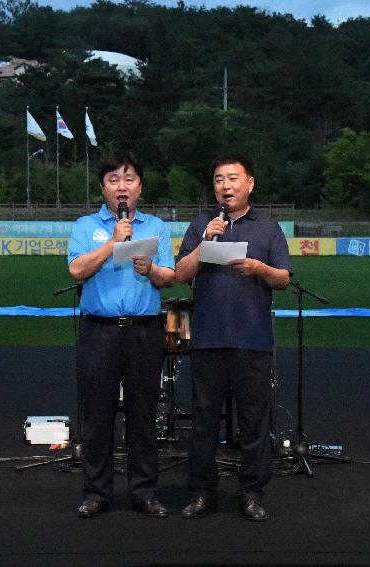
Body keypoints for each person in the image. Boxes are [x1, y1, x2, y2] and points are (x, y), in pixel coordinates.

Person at [175, 154, 292, 522]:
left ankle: (252, 492)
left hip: (252, 339)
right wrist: (205, 242)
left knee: (254, 421)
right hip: (208, 338)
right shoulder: (200, 224)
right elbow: (180, 273)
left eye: (233, 178)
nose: (226, 186)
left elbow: (284, 279)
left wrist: (260, 268)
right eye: (219, 180)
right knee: (204, 421)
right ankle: (201, 492)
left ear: (250, 183)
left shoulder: (269, 228)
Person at [67, 151, 176, 519]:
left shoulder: (157, 226)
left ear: (140, 188)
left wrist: (151, 270)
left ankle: (144, 491)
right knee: (97, 416)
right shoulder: (85, 226)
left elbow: (170, 278)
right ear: (103, 188)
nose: (122, 187)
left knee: (143, 415)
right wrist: (113, 243)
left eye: (129, 180)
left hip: (145, 332)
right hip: (99, 332)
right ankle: (96, 492)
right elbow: (77, 270)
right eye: (114, 180)